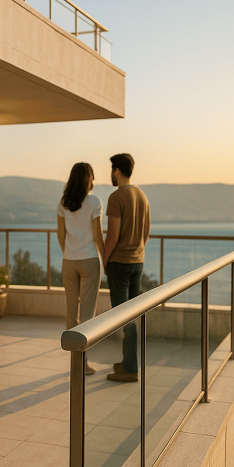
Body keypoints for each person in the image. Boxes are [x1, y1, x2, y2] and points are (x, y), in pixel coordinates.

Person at [104, 153, 150, 383]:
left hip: (120, 265)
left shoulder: (116, 197)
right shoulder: (142, 196)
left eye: (111, 170)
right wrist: (138, 252)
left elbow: (111, 236)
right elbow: (146, 233)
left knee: (123, 317)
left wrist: (105, 260)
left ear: (117, 171)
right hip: (137, 263)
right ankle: (128, 362)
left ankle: (130, 370)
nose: (111, 174)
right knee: (131, 314)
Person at [57, 162, 105, 376]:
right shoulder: (94, 201)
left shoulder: (64, 202)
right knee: (87, 314)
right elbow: (97, 235)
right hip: (89, 261)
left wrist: (69, 252)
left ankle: (74, 362)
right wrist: (107, 259)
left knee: (71, 313)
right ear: (89, 179)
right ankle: (83, 364)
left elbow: (61, 234)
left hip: (69, 261)